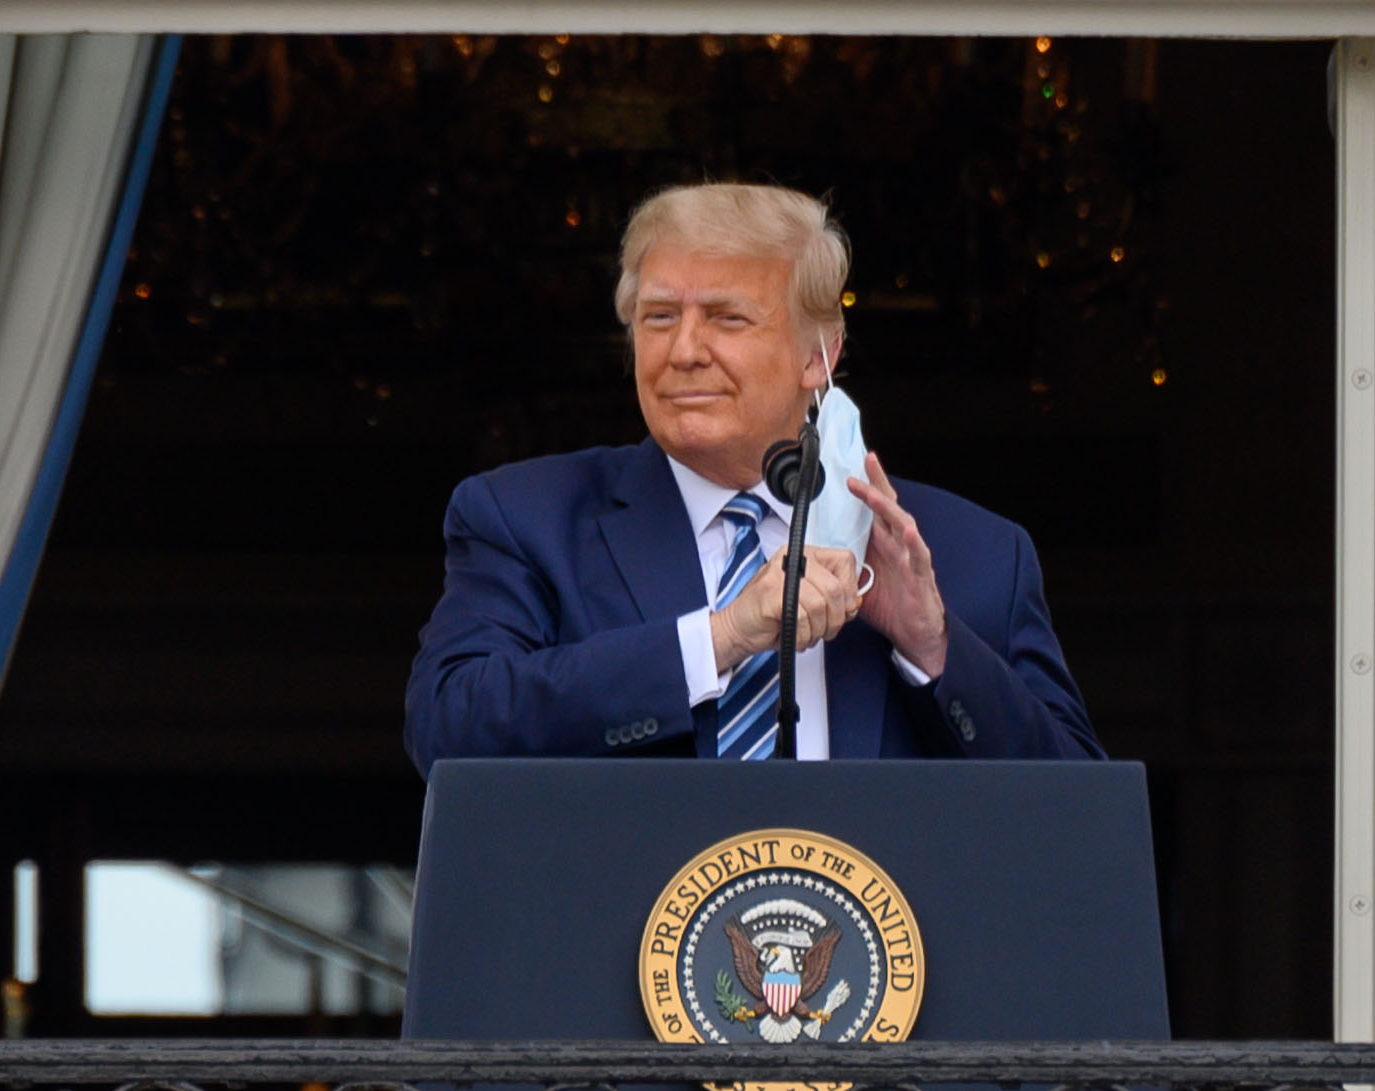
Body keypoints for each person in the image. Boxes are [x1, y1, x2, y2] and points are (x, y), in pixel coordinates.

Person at [406, 183, 1103, 767]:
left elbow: (1080, 817)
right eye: (658, 318)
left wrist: (934, 647)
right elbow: (448, 728)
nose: (683, 351)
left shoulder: (972, 553)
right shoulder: (526, 517)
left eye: (725, 318)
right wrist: (721, 638)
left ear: (818, 356)